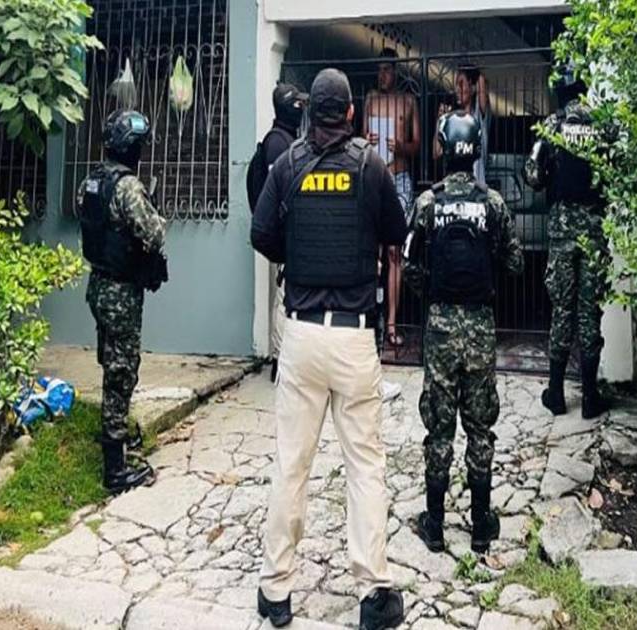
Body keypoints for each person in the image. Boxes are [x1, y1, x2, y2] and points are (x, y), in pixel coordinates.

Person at [251, 68, 406, 630]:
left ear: (310, 113)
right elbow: (396, 230)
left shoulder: (287, 165)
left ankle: (276, 590)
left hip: (301, 334)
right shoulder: (370, 167)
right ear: (351, 113)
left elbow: (261, 234)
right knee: (364, 464)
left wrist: (296, 254)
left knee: (292, 463)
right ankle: (373, 592)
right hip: (353, 337)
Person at [405, 111, 524, 554]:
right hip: (480, 328)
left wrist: (433, 293)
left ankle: (434, 525)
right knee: (480, 427)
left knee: (439, 428)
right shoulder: (492, 204)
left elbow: (409, 265)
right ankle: (480, 526)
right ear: (475, 149)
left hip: (439, 329)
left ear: (443, 147)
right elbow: (516, 263)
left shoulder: (427, 203)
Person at [77, 109, 168, 494]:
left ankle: (114, 432)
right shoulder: (129, 187)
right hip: (120, 294)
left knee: (110, 361)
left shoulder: (92, 180)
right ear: (131, 148)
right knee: (121, 370)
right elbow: (154, 234)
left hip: (98, 285)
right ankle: (115, 468)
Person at [525, 65, 614, 420]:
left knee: (562, 308)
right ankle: (590, 397)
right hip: (594, 231)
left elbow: (532, 175)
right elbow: (614, 171)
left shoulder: (552, 126)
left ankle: (557, 393)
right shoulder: (603, 126)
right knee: (590, 309)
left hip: (562, 232)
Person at [248, 83, 309, 382]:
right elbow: (280, 193)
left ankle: (287, 357)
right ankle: (279, 360)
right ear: (288, 107)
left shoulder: (288, 139)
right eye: (298, 104)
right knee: (283, 296)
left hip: (290, 233)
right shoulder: (277, 142)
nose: (302, 109)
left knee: (289, 294)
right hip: (282, 233)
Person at [364, 48, 421, 350]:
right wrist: (367, 140)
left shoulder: (408, 102)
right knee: (372, 248)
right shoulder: (370, 100)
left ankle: (391, 323)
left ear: (396, 72)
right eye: (379, 69)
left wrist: (400, 146)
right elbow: (359, 140)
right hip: (376, 176)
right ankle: (370, 316)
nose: (382, 75)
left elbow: (417, 145)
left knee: (394, 252)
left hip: (399, 177)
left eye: (387, 69)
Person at [436, 63, 490, 183]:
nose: (457, 90)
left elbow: (480, 80)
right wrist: (439, 121)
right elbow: (436, 152)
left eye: (461, 84)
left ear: (472, 87)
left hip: (475, 183)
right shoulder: (451, 119)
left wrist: (469, 69)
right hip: (453, 184)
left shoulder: (478, 115)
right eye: (456, 85)